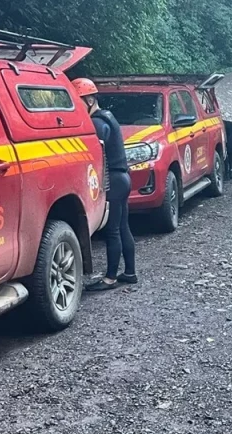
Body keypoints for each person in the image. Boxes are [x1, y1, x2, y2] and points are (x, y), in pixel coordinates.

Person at [73, 78, 137, 291]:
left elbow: (93, 154)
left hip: (114, 181)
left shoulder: (98, 123)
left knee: (112, 230)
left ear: (90, 99)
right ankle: (129, 272)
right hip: (123, 178)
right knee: (123, 226)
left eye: (79, 101)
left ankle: (110, 278)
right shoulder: (108, 117)